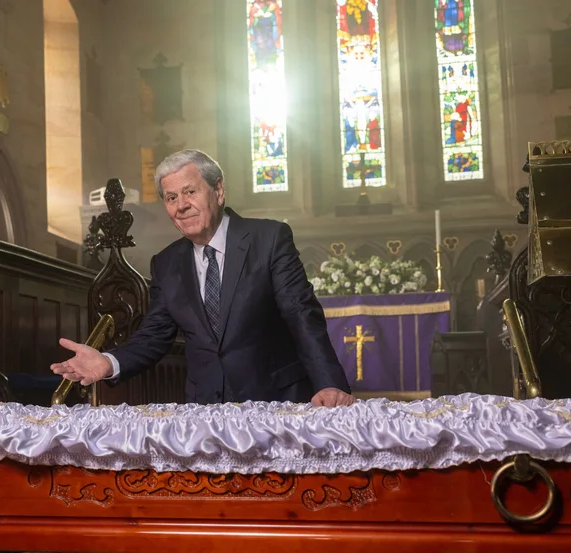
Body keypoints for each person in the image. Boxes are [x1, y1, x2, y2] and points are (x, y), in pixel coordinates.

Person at [51, 150, 354, 406]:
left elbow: (301, 315)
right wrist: (108, 362)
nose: (181, 205)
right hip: (205, 414)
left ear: (218, 190)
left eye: (190, 192)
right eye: (171, 197)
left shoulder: (269, 239)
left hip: (275, 402)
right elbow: (153, 336)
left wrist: (330, 383)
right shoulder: (166, 263)